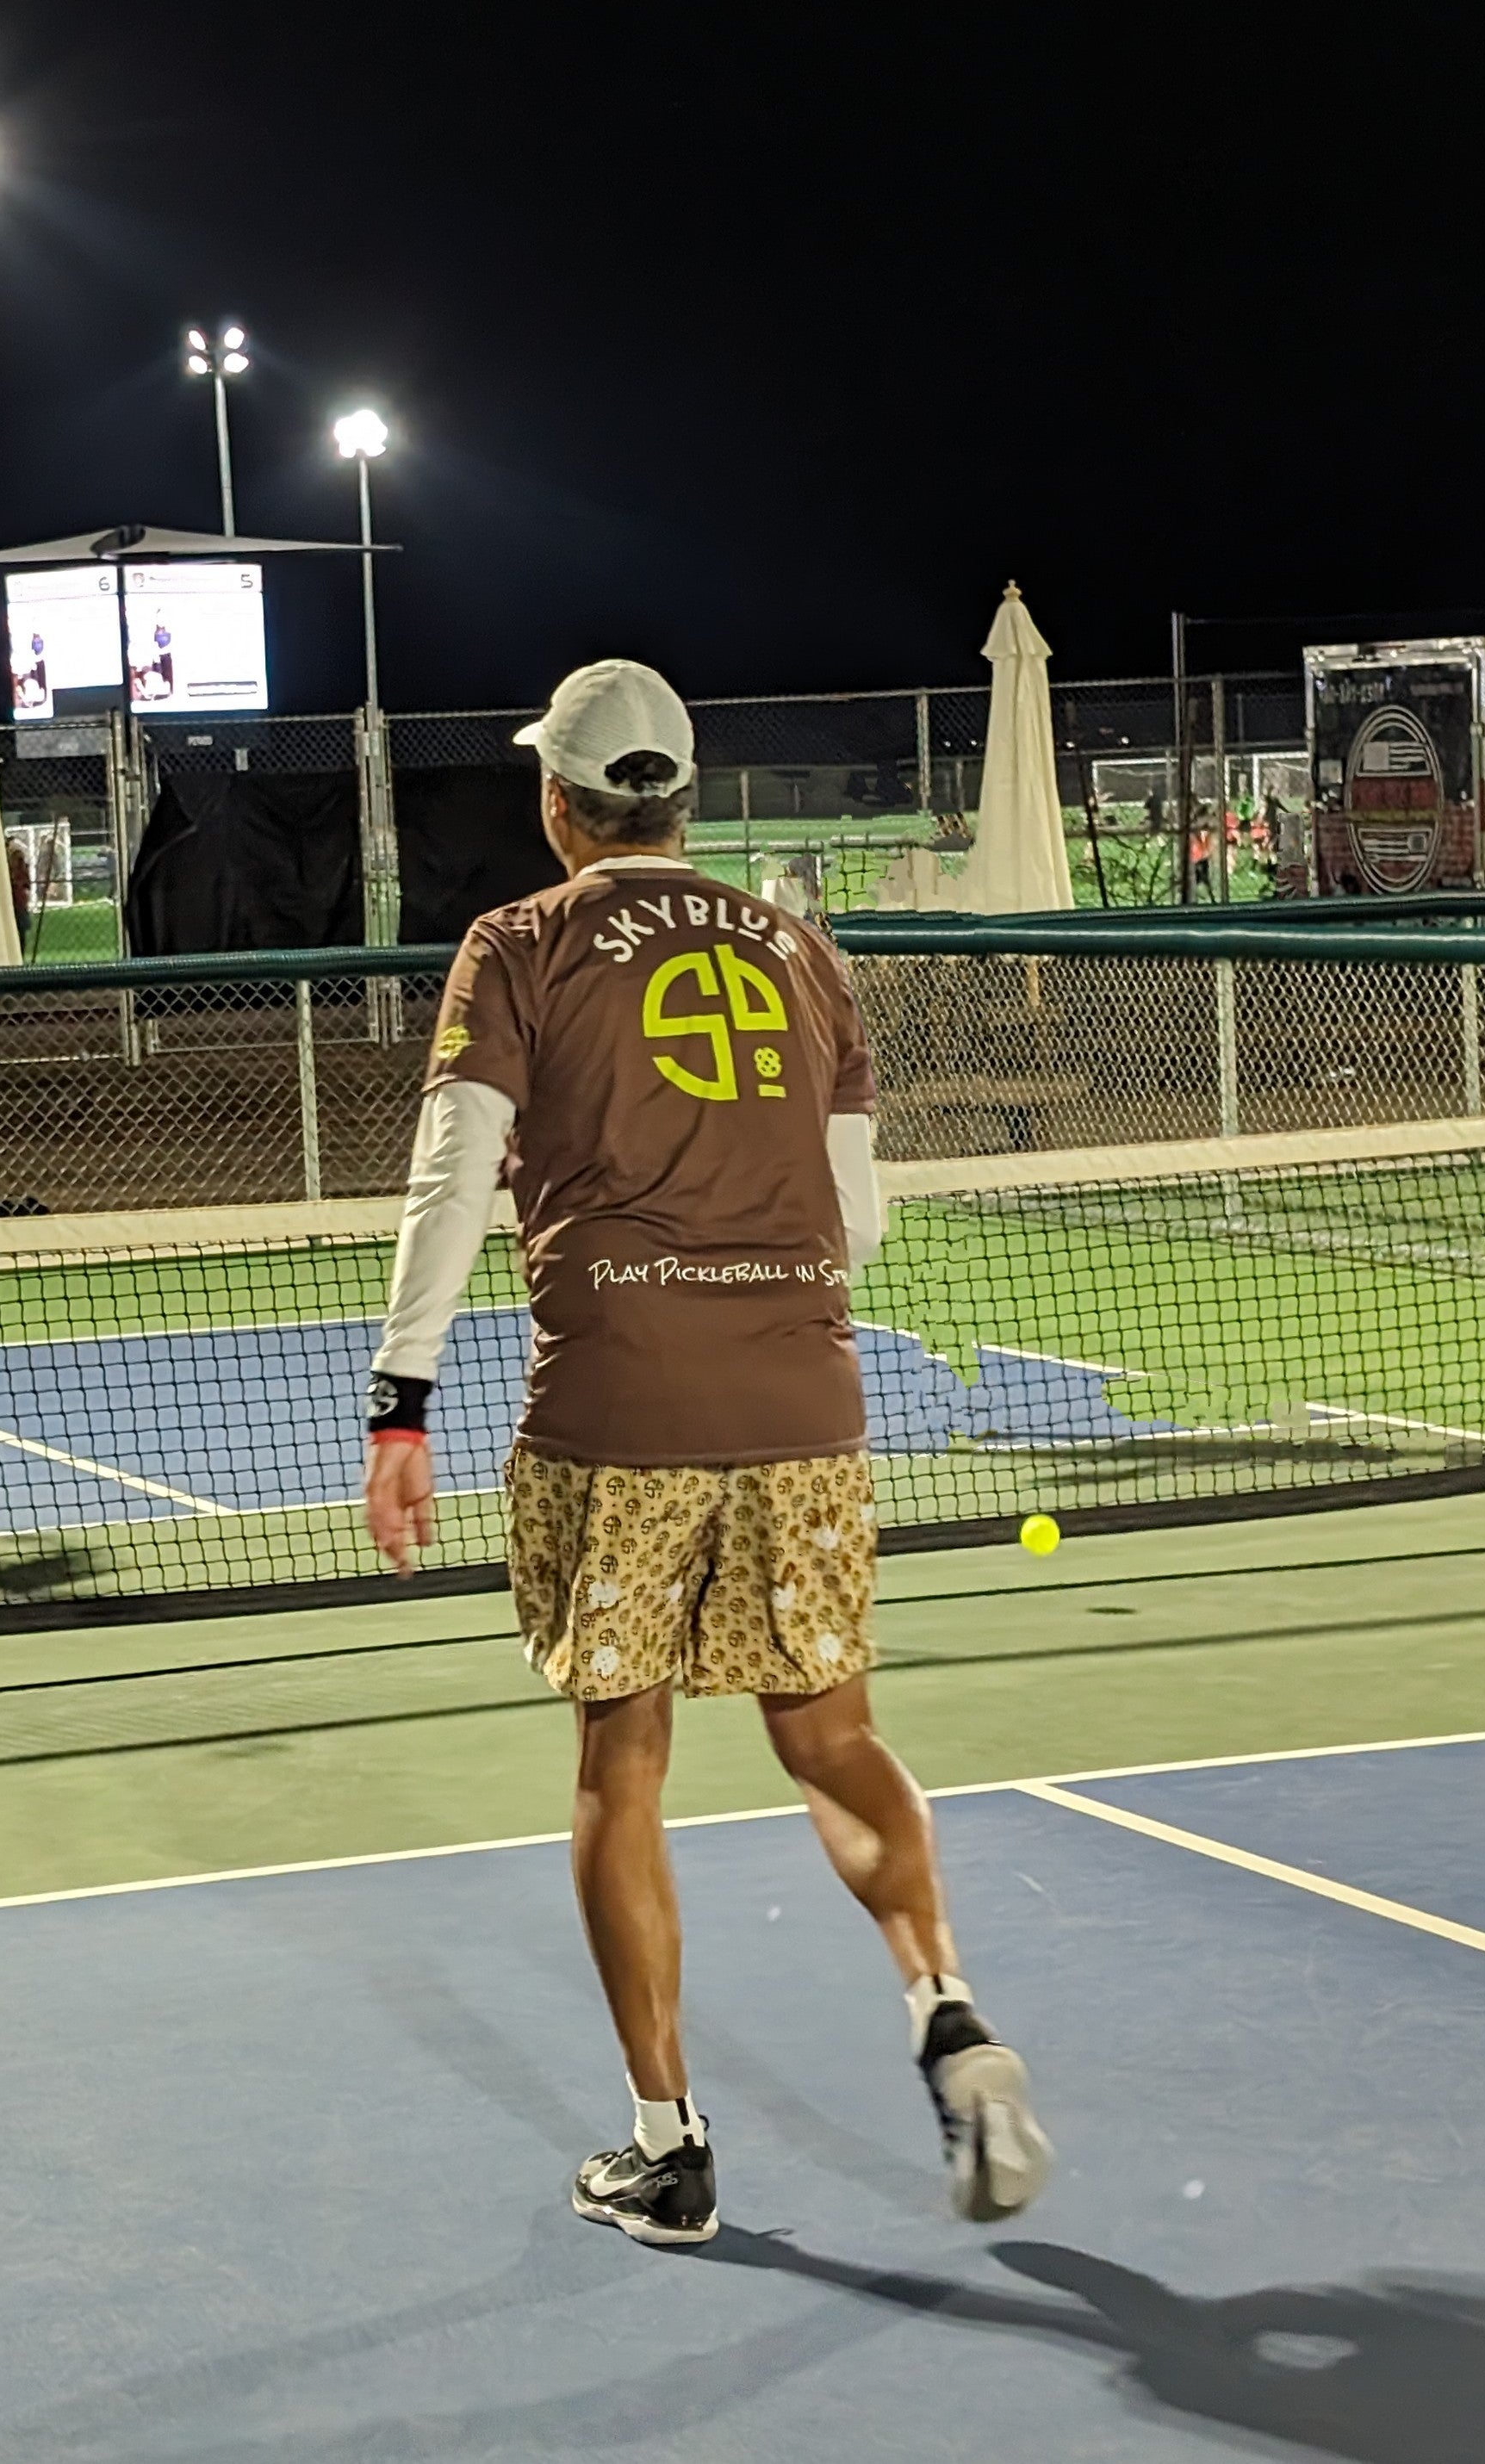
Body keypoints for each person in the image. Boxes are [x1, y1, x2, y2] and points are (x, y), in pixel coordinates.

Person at [361, 658, 1051, 2248]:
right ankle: (944, 2005)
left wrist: (403, 1401)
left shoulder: (519, 941)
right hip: (801, 1400)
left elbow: (450, 1176)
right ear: (681, 802)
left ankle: (667, 2149)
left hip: (621, 1411)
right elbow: (857, 1218)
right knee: (829, 1734)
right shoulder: (802, 948)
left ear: (559, 805)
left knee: (624, 1759)